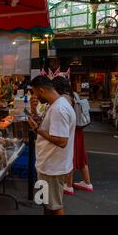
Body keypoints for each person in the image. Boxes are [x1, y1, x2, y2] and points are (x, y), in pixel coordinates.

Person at [27, 75, 76, 215]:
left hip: (53, 167)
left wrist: (37, 130)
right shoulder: (53, 105)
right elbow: (46, 126)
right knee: (47, 204)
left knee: (54, 206)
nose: (34, 96)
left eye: (34, 92)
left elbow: (62, 141)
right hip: (48, 164)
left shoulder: (58, 109)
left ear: (41, 90)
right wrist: (33, 110)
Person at [52, 78, 94, 195]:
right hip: (79, 130)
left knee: (71, 155)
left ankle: (68, 185)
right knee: (81, 156)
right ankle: (87, 183)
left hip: (72, 130)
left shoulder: (64, 98)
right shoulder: (74, 94)